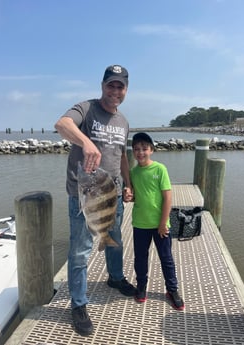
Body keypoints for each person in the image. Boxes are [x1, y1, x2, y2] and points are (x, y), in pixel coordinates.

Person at [54, 65, 136, 336]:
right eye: (111, 85)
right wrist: (86, 143)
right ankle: (78, 303)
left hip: (112, 193)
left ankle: (115, 278)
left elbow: (122, 156)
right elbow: (62, 125)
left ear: (125, 90)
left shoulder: (123, 121)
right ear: (102, 85)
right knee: (79, 251)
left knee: (114, 239)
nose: (115, 91)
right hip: (86, 194)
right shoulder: (86, 109)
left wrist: (129, 183)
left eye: (120, 86)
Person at [126, 132, 184, 310]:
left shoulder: (160, 169)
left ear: (151, 150)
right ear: (133, 152)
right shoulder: (133, 172)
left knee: (166, 258)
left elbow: (167, 198)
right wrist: (129, 195)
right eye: (136, 149)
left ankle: (172, 290)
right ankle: (142, 286)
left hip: (161, 224)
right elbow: (136, 196)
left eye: (144, 148)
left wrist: (162, 223)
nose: (140, 152)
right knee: (140, 258)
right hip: (140, 224)